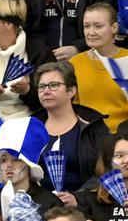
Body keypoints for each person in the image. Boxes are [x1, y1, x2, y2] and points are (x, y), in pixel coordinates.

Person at [32, 61, 107, 196]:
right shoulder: (29, 128)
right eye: (41, 87)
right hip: (40, 203)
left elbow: (108, 169)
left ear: (71, 91)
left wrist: (78, 198)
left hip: (86, 203)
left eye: (53, 85)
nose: (46, 91)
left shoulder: (93, 126)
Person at [69, 2, 128, 132]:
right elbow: (71, 109)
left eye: (98, 26)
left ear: (114, 28)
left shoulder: (126, 59)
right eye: (86, 26)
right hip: (88, 136)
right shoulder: (75, 63)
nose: (91, 32)